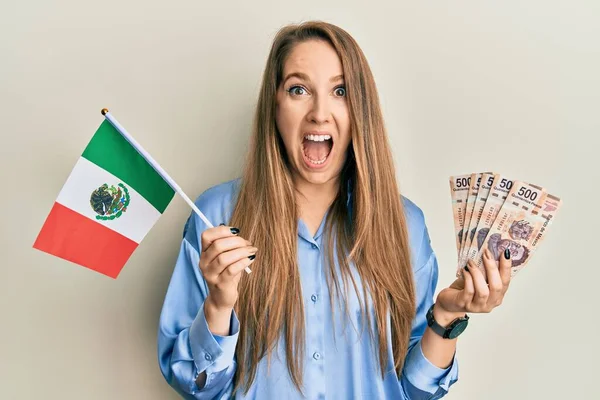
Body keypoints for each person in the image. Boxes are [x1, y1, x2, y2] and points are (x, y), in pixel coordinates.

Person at [157, 21, 513, 400]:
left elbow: (414, 391)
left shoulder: (405, 225)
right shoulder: (218, 216)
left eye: (340, 91)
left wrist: (444, 316)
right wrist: (219, 304)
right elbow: (197, 386)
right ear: (274, 106)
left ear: (360, 108)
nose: (319, 113)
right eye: (298, 90)